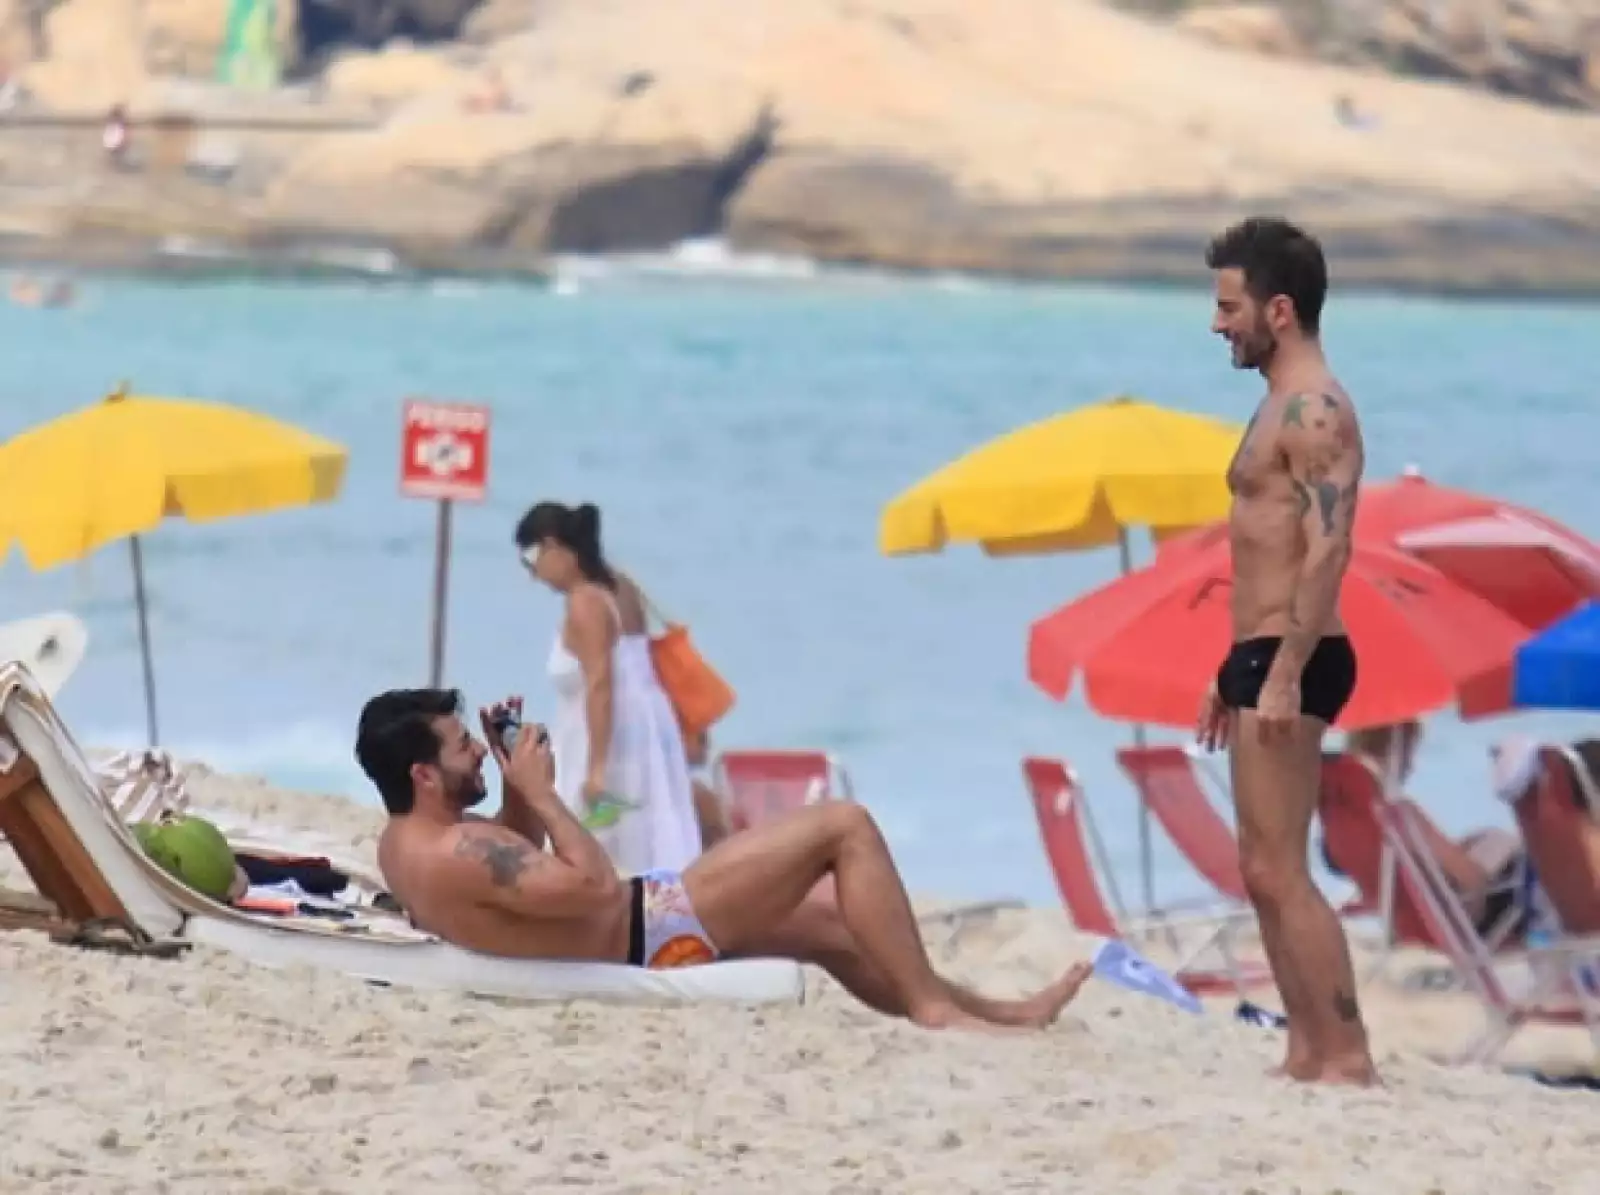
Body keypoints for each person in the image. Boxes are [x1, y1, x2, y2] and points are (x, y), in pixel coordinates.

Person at [356, 688, 1092, 1031]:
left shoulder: (408, 840)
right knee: (845, 826)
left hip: (637, 926)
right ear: (424, 774)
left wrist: (516, 786)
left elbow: (513, 875)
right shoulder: (463, 848)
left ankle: (1001, 1012)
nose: (476, 752)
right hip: (651, 930)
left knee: (832, 924)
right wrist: (544, 793)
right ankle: (937, 1012)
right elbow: (594, 885)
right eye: (463, 747)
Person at [1194, 216, 1378, 1086]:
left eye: (1229, 307)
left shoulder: (1316, 409)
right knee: (1260, 868)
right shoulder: (1277, 404)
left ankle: (1346, 1053)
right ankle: (1307, 1048)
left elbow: (1328, 548)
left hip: (1296, 656)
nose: (1217, 324)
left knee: (1282, 867)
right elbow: (1262, 548)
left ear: (1279, 309)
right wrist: (1230, 670)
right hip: (1261, 652)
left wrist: (1286, 670)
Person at [515, 501, 702, 874]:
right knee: (650, 843)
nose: (534, 575)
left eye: (531, 559)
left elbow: (601, 683)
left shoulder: (585, 603)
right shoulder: (621, 586)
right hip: (645, 734)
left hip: (606, 742)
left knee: (597, 849)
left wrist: (597, 769)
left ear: (553, 545)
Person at [1329, 722, 1528, 941]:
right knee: (1515, 855)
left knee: (1488, 840)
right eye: (1408, 753)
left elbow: (1387, 885)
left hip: (1413, 921)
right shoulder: (1400, 815)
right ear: (1394, 751)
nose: (1411, 766)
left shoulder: (1345, 818)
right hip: (1469, 921)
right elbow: (1473, 881)